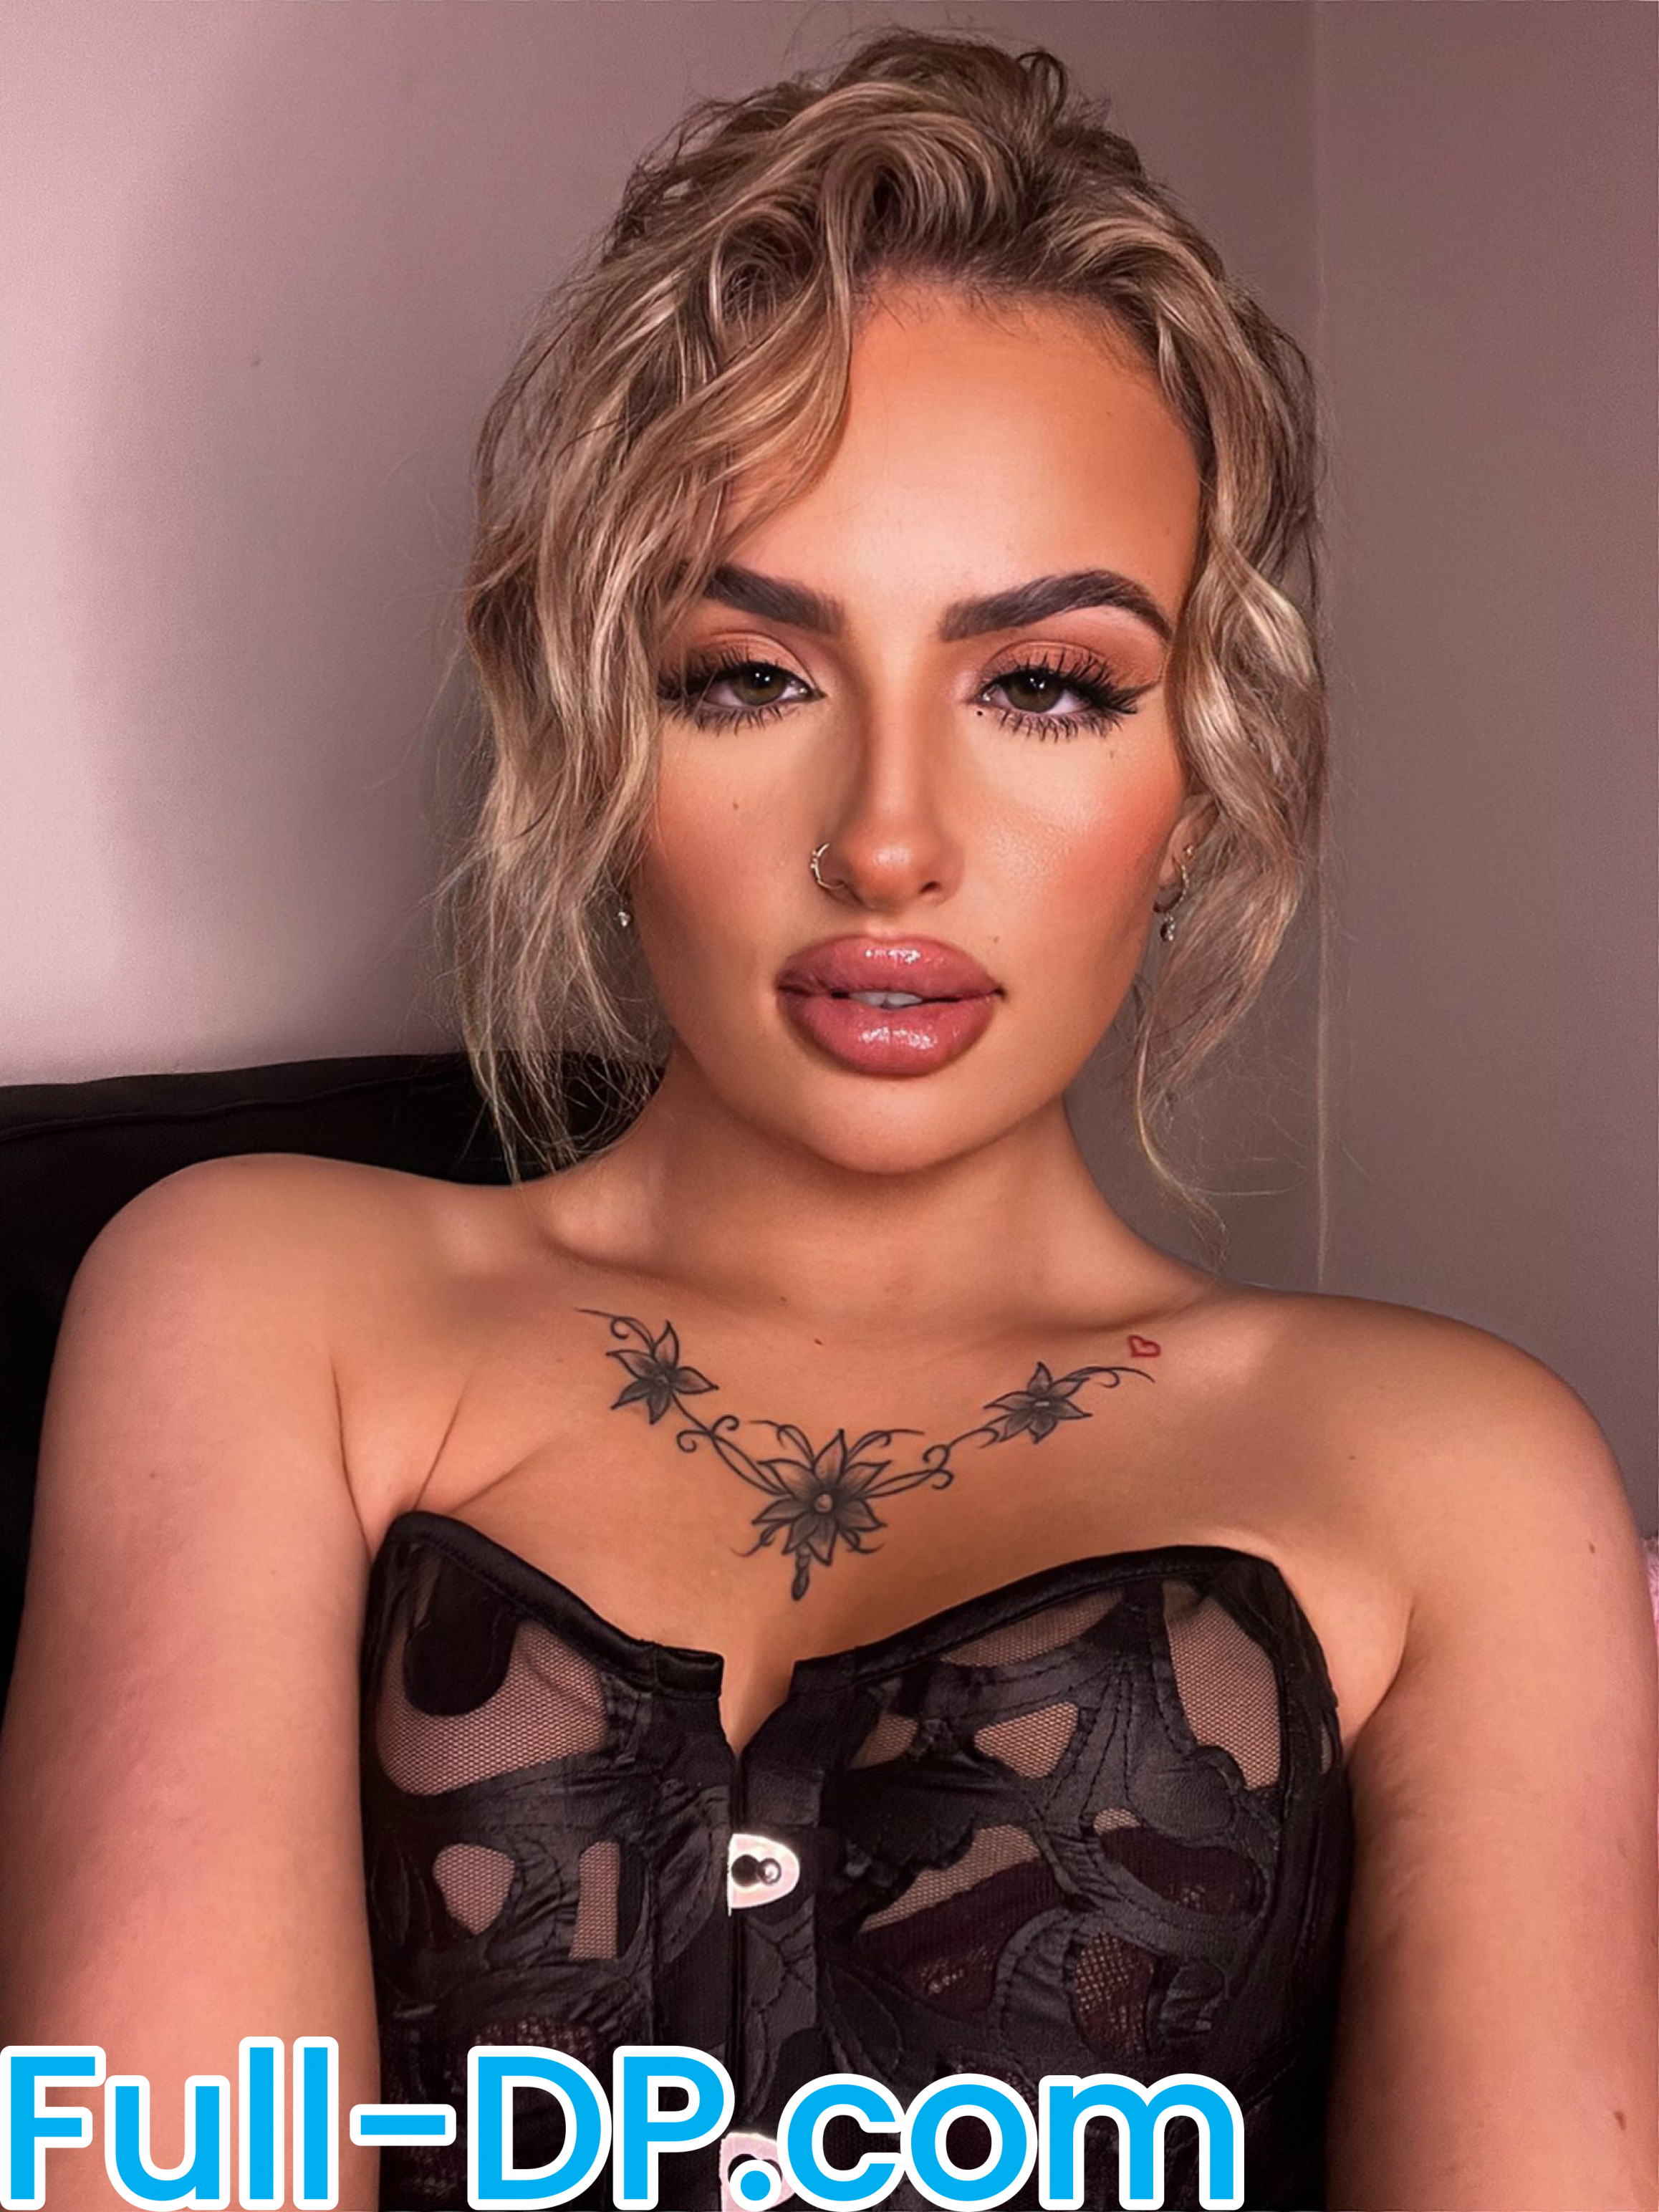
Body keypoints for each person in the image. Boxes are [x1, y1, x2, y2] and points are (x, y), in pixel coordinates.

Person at [0, 27, 1653, 2212]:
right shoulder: (252, 1303)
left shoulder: (1455, 1475)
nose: (888, 839)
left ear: (1198, 781)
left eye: (1043, 686)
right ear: (595, 733)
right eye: (749, 675)